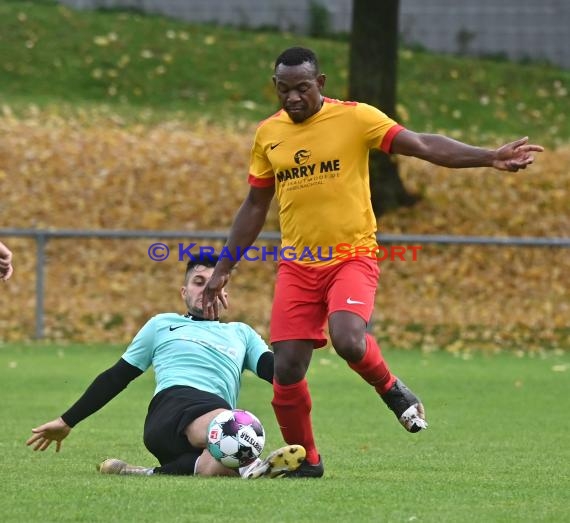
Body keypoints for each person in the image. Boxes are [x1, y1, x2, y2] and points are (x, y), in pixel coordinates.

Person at [202, 46, 544, 478]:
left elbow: (421, 145)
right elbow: (254, 205)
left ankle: (391, 390)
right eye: (284, 90)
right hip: (297, 265)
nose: (293, 98)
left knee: (348, 337)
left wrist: (488, 156)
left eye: (302, 89)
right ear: (275, 87)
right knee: (285, 367)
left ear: (320, 84)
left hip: (352, 256)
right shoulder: (268, 134)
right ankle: (306, 461)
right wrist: (223, 269)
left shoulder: (356, 118)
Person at [26, 254, 306, 479]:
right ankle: (253, 464)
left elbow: (281, 374)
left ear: (225, 294)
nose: (207, 289)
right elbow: (117, 376)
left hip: (210, 431)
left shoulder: (241, 333)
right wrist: (67, 421)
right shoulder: (162, 325)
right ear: (184, 292)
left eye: (214, 283)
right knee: (234, 422)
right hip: (170, 411)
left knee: (219, 467)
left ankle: (143, 472)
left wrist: (294, 333)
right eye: (198, 282)